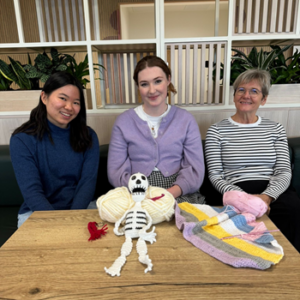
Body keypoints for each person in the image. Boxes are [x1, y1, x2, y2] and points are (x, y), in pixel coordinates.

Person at [205, 69, 300, 252]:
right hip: (235, 190)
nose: (246, 95)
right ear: (234, 96)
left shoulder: (276, 129)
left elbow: (283, 171)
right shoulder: (216, 131)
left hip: (273, 192)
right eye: (241, 90)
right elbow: (216, 175)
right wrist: (244, 200)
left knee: (294, 210)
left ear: (263, 99)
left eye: (254, 91)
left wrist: (265, 198)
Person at [107, 55, 205, 203]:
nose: (152, 90)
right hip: (134, 192)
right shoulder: (123, 122)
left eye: (158, 81)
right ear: (138, 86)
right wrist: (142, 194)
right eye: (144, 84)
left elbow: (195, 170)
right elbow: (116, 171)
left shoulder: (186, 120)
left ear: (168, 80)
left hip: (179, 192)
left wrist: (168, 194)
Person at [10, 72, 100, 227]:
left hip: (81, 209)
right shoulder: (22, 139)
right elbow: (32, 192)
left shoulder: (89, 136)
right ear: (44, 97)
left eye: (76, 102)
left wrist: (72, 220)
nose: (69, 107)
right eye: (63, 98)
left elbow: (87, 183)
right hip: (36, 212)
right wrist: (59, 224)